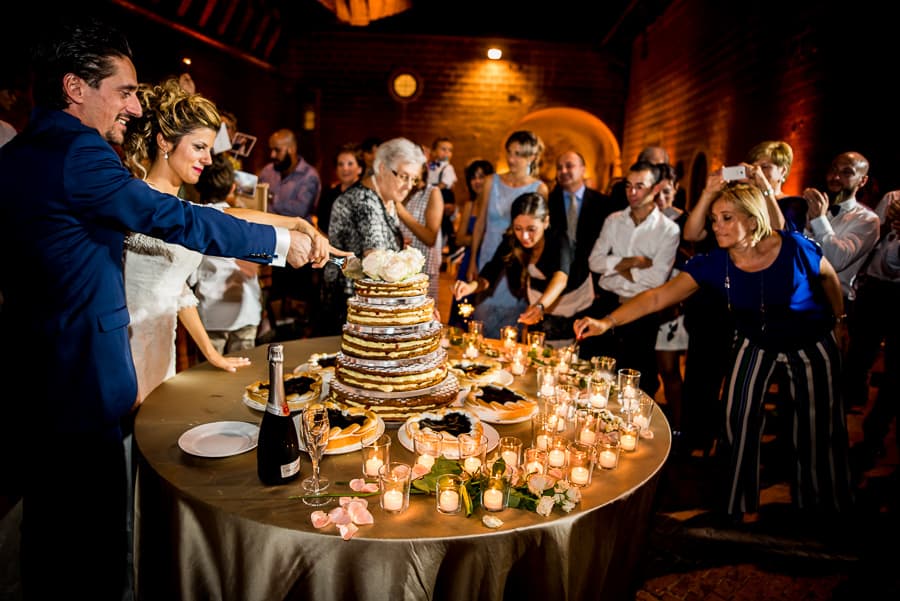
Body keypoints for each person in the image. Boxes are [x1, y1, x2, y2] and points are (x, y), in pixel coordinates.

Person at [0, 17, 337, 600]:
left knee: (51, 528)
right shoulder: (79, 151)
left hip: (37, 367)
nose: (133, 106)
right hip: (85, 372)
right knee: (97, 536)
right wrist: (281, 246)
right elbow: (173, 219)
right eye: (124, 91)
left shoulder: (22, 150)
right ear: (76, 87)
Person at [575, 179, 854, 525]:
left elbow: (828, 277)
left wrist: (839, 322)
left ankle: (821, 508)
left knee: (817, 425)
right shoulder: (715, 263)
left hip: (811, 338)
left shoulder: (793, 247)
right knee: (736, 418)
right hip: (756, 340)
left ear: (752, 220)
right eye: (713, 219)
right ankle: (736, 504)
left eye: (726, 218)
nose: (717, 227)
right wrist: (607, 322)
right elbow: (659, 296)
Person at [582, 160, 681, 399]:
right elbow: (593, 262)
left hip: (642, 312)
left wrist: (616, 266)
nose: (632, 193)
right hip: (606, 303)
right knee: (593, 376)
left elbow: (656, 280)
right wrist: (633, 261)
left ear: (655, 189)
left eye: (640, 186)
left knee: (637, 382)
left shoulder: (668, 230)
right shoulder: (613, 220)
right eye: (628, 186)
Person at [453, 192, 592, 343]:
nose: (524, 236)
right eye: (518, 228)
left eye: (531, 229)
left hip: (572, 300)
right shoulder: (512, 239)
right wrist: (470, 287)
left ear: (546, 222)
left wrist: (540, 306)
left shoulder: (560, 239)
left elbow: (560, 279)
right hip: (540, 299)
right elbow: (491, 271)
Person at [322, 137, 425, 334]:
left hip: (369, 306)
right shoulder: (365, 202)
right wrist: (414, 307)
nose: (409, 185)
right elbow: (378, 263)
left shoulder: (386, 200)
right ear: (383, 169)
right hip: (353, 309)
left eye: (414, 179)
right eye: (404, 176)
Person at [467, 130, 549, 338]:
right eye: (509, 153)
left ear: (531, 157)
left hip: (518, 259)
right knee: (482, 317)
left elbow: (539, 232)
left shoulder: (539, 187)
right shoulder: (490, 181)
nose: (511, 159)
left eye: (519, 154)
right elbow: (480, 224)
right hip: (489, 255)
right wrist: (473, 261)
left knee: (512, 324)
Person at [844, 191, 899, 473]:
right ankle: (840, 420)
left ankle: (874, 435)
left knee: (894, 373)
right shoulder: (893, 198)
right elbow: (873, 243)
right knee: (858, 356)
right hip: (876, 290)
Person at [188, 154, 263, 355]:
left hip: (211, 313)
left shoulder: (194, 222)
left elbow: (190, 275)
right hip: (245, 308)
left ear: (198, 187)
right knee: (244, 375)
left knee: (209, 378)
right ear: (232, 188)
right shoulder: (246, 220)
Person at [258, 127, 323, 333]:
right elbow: (256, 203)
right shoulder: (267, 172)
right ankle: (278, 333)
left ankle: (296, 335)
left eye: (277, 150)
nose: (272, 155)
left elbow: (298, 210)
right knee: (276, 294)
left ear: (292, 149)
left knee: (298, 297)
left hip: (300, 245)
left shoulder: (309, 176)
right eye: (272, 150)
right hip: (273, 241)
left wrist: (270, 202)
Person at [547, 150, 618, 336]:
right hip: (556, 277)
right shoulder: (547, 202)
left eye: (569, 166)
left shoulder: (603, 203)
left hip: (593, 283)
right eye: (559, 167)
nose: (563, 171)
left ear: (582, 169)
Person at [448, 158, 495, 328]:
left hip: (491, 259)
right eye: (473, 177)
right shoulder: (470, 205)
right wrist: (484, 237)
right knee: (464, 307)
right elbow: (460, 238)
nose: (477, 181)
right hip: (470, 260)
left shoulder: (496, 206)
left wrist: (478, 237)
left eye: (482, 176)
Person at [398, 164, 444, 300]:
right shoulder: (401, 192)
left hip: (422, 271)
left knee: (420, 317)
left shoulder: (432, 192)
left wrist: (400, 210)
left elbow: (430, 237)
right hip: (399, 270)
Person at [745, 140, 806, 232]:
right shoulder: (748, 201)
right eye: (753, 167)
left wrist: (764, 186)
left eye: (764, 167)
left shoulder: (794, 203)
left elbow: (781, 233)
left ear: (783, 171)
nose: (757, 172)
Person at [316, 143, 363, 237]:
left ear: (359, 169)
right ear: (336, 169)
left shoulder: (365, 195)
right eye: (340, 164)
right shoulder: (328, 194)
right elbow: (321, 227)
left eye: (350, 164)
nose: (345, 168)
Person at [426, 136, 458, 255]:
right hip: (434, 192)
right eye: (443, 149)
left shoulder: (448, 167)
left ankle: (451, 242)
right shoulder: (430, 166)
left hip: (443, 195)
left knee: (444, 221)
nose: (447, 153)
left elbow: (445, 183)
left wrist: (431, 190)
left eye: (450, 150)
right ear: (434, 151)